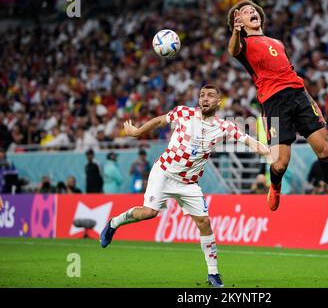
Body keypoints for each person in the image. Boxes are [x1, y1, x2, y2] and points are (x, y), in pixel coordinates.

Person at [100, 85, 272, 287]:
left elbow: (250, 142)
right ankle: (114, 223)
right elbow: (159, 120)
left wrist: (272, 154)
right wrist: (138, 131)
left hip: (188, 183)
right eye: (201, 95)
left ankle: (213, 274)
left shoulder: (225, 126)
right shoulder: (184, 112)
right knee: (148, 213)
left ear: (219, 102)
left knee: (204, 223)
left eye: (210, 95)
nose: (204, 98)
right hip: (164, 173)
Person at [227, 0, 328, 223]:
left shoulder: (276, 42)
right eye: (245, 13)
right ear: (238, 22)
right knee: (280, 163)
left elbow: (289, 71)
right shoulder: (243, 44)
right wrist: (236, 32)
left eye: (253, 11)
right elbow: (233, 51)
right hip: (274, 102)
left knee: (325, 150)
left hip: (299, 95)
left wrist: (308, 99)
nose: (251, 13)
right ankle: (275, 187)